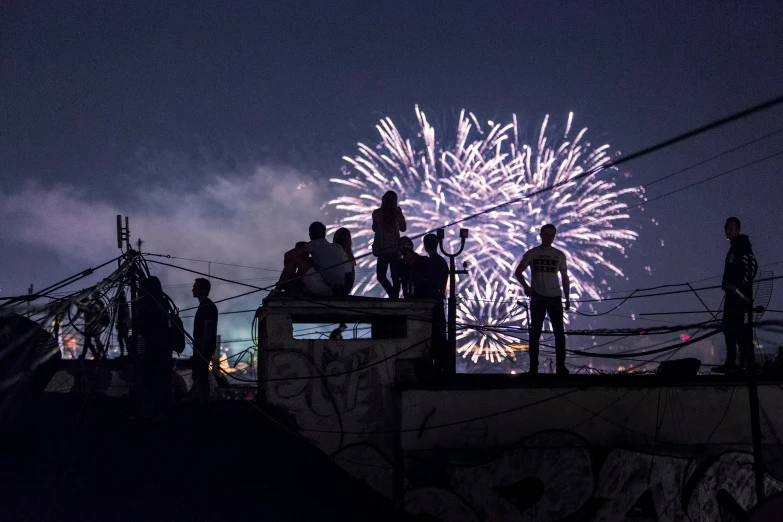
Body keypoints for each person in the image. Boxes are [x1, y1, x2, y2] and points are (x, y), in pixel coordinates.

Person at [514, 224, 571, 375]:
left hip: (555, 297)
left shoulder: (559, 255)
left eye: (551, 235)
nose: (549, 238)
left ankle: (560, 366)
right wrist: (526, 286)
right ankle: (533, 368)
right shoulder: (532, 253)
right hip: (538, 296)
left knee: (559, 332)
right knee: (535, 332)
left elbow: (565, 278)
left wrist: (567, 297)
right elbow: (518, 272)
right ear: (541, 235)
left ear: (554, 236)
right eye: (546, 234)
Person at [714, 217, 757, 373]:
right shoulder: (734, 247)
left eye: (730, 228)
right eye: (726, 228)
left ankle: (740, 362)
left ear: (738, 229)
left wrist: (739, 288)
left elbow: (751, 267)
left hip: (738, 297)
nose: (727, 231)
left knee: (735, 328)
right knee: (731, 328)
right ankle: (736, 362)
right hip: (732, 295)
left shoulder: (742, 245)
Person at [276, 222, 353, 296]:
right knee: (308, 262)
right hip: (340, 290)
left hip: (328, 290)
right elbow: (348, 272)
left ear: (310, 234)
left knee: (297, 260)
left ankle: (278, 289)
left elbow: (288, 255)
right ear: (324, 234)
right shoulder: (338, 248)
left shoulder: (316, 244)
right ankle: (292, 285)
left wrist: (290, 274)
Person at [134, 276, 172, 419]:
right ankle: (162, 412)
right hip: (164, 349)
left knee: (148, 381)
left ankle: (148, 413)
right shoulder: (164, 302)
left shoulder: (147, 305)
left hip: (151, 349)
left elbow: (143, 328)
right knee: (161, 381)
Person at [421, 234, 449, 372]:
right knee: (440, 334)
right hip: (439, 301)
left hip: (430, 303)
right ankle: (442, 365)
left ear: (425, 245)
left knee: (429, 334)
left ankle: (433, 366)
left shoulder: (427, 262)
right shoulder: (442, 261)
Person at [372, 191, 407, 298]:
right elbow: (403, 228)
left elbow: (374, 228)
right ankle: (394, 297)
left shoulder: (376, 213)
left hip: (381, 249)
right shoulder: (397, 213)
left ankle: (393, 296)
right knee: (395, 277)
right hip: (395, 249)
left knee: (381, 276)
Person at [190, 278, 218, 404]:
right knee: (199, 375)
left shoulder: (207, 306)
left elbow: (208, 328)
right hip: (201, 348)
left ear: (204, 290)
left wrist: (202, 350)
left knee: (201, 376)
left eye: (196, 287)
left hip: (202, 349)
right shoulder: (205, 306)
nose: (193, 289)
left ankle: (202, 403)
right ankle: (200, 401)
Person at [333, 227, 356, 295]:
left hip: (336, 284)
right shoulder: (349, 253)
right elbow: (352, 272)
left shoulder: (333, 250)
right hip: (347, 285)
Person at [115, 290, 130, 357]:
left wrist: (122, 322)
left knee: (123, 338)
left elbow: (126, 314)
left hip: (123, 324)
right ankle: (125, 353)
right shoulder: (121, 303)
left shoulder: (123, 303)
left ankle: (127, 353)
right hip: (122, 324)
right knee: (122, 338)